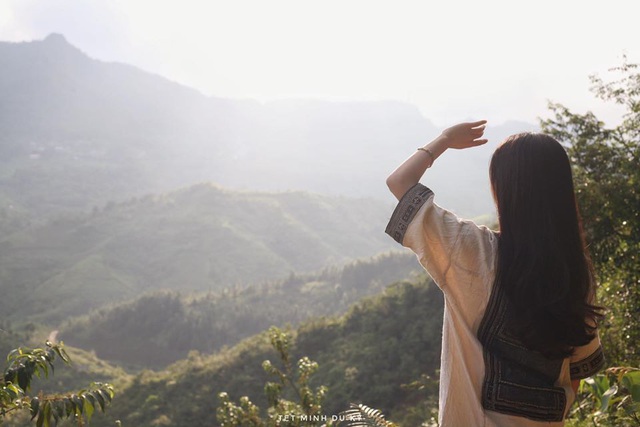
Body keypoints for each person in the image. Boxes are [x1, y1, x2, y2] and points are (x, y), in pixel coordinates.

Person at [385, 121, 605, 426]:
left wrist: (445, 140)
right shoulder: (575, 271)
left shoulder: (472, 249)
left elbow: (399, 182)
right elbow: (577, 371)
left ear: (504, 189)